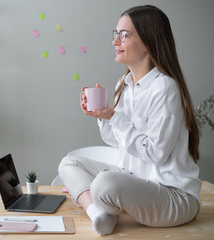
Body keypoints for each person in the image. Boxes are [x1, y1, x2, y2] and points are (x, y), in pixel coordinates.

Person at [58, 5, 201, 236]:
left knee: (105, 183)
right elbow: (117, 141)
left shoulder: (165, 87)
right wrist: (103, 117)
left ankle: (107, 209)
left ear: (147, 41)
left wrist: (114, 116)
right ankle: (98, 214)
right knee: (68, 163)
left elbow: (156, 152)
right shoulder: (123, 85)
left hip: (175, 196)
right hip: (137, 182)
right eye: (116, 34)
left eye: (124, 35)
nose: (116, 42)